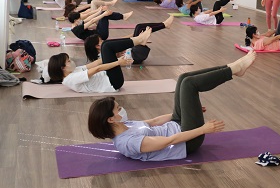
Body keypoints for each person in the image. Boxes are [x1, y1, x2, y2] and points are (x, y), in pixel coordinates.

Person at [87, 51, 257, 161]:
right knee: (189, 85)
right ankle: (235, 68)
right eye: (117, 109)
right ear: (110, 119)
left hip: (177, 124)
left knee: (183, 79)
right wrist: (203, 129)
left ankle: (233, 68)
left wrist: (187, 108)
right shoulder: (128, 143)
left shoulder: (124, 125)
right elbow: (170, 141)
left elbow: (154, 121)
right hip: (187, 141)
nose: (121, 109)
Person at [47, 27, 153, 93]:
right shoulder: (71, 79)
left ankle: (139, 40)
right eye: (68, 61)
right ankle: (139, 40)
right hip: (113, 83)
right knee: (106, 46)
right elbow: (97, 69)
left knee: (105, 45)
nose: (71, 61)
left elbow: (96, 63)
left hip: (110, 77)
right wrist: (118, 62)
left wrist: (113, 57)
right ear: (63, 68)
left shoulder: (72, 72)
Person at [84, 16, 174, 64]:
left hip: (134, 51)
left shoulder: (104, 48)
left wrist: (134, 35)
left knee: (139, 27)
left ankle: (165, 25)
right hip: (135, 55)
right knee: (139, 28)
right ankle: (164, 25)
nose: (103, 41)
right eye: (100, 40)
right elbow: (117, 57)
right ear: (97, 46)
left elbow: (121, 41)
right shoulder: (102, 54)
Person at [68, 8, 133, 41]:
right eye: (79, 18)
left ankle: (123, 16)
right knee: (104, 16)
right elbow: (92, 21)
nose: (80, 19)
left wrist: (99, 12)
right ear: (75, 20)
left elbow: (89, 19)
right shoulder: (77, 29)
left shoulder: (76, 25)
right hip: (101, 35)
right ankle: (123, 16)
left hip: (97, 32)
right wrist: (103, 14)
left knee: (103, 13)